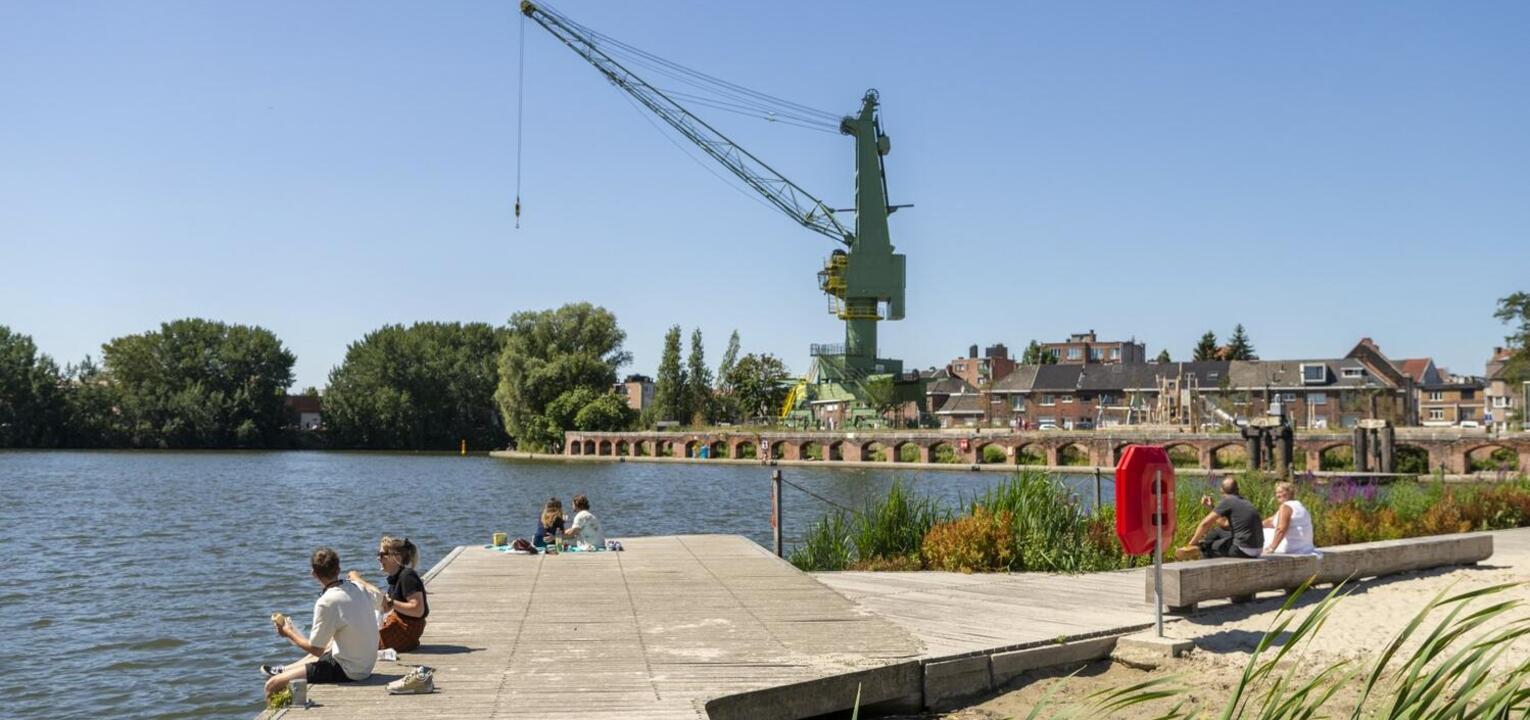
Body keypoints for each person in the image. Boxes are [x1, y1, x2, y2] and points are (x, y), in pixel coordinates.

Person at [262, 548, 379, 697]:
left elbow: (316, 649)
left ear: (314, 574)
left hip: (350, 671)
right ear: (339, 569)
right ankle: (285, 671)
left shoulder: (326, 601)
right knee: (329, 645)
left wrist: (288, 633)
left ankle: (281, 679)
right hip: (367, 663)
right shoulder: (359, 587)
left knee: (272, 685)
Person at [349, 536, 429, 651]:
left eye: (382, 554)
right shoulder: (395, 579)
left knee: (355, 643)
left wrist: (390, 602)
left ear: (396, 557)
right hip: (404, 630)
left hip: (406, 631)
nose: (378, 558)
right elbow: (385, 607)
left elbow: (418, 609)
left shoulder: (407, 576)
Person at [1176, 477, 1263, 560]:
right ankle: (1200, 547)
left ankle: (1206, 571)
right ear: (1237, 490)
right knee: (1218, 531)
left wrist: (1191, 543)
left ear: (1221, 490)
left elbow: (1205, 524)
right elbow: (1225, 524)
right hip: (1257, 549)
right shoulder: (1245, 502)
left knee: (1206, 548)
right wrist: (1211, 507)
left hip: (1243, 549)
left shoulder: (1228, 500)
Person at [1262, 482, 1317, 555]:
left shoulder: (1286, 507)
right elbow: (1271, 521)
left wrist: (1271, 548)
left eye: (1282, 492)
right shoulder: (1299, 505)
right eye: (1277, 492)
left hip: (1292, 548)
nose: (1279, 495)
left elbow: (1281, 529)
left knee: (1261, 532)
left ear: (1290, 492)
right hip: (1305, 547)